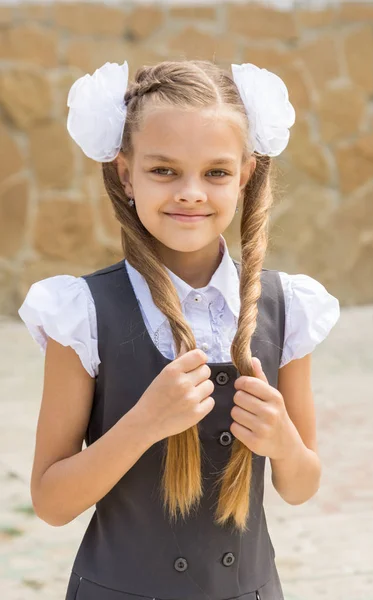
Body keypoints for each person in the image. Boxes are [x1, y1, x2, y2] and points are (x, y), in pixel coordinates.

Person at [18, 59, 340, 600]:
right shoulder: (81, 313)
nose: (191, 192)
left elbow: (301, 485)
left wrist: (282, 441)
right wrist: (143, 423)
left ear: (244, 175)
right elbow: (51, 502)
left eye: (215, 172)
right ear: (126, 174)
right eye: (164, 170)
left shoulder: (287, 308)